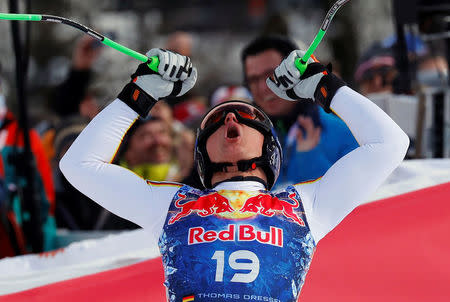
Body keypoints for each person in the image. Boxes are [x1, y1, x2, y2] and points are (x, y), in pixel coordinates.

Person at [60, 48, 409, 301]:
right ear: (202, 154)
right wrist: (139, 94)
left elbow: (390, 143)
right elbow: (78, 165)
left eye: (246, 117)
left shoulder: (305, 206)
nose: (230, 119)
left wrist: (324, 85)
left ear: (269, 146)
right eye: (215, 121)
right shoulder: (172, 204)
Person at [241, 35, 358, 187]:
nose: (264, 87)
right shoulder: (246, 142)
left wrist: (310, 161)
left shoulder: (345, 132)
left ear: (296, 72)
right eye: (254, 80)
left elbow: (360, 197)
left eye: (271, 74)